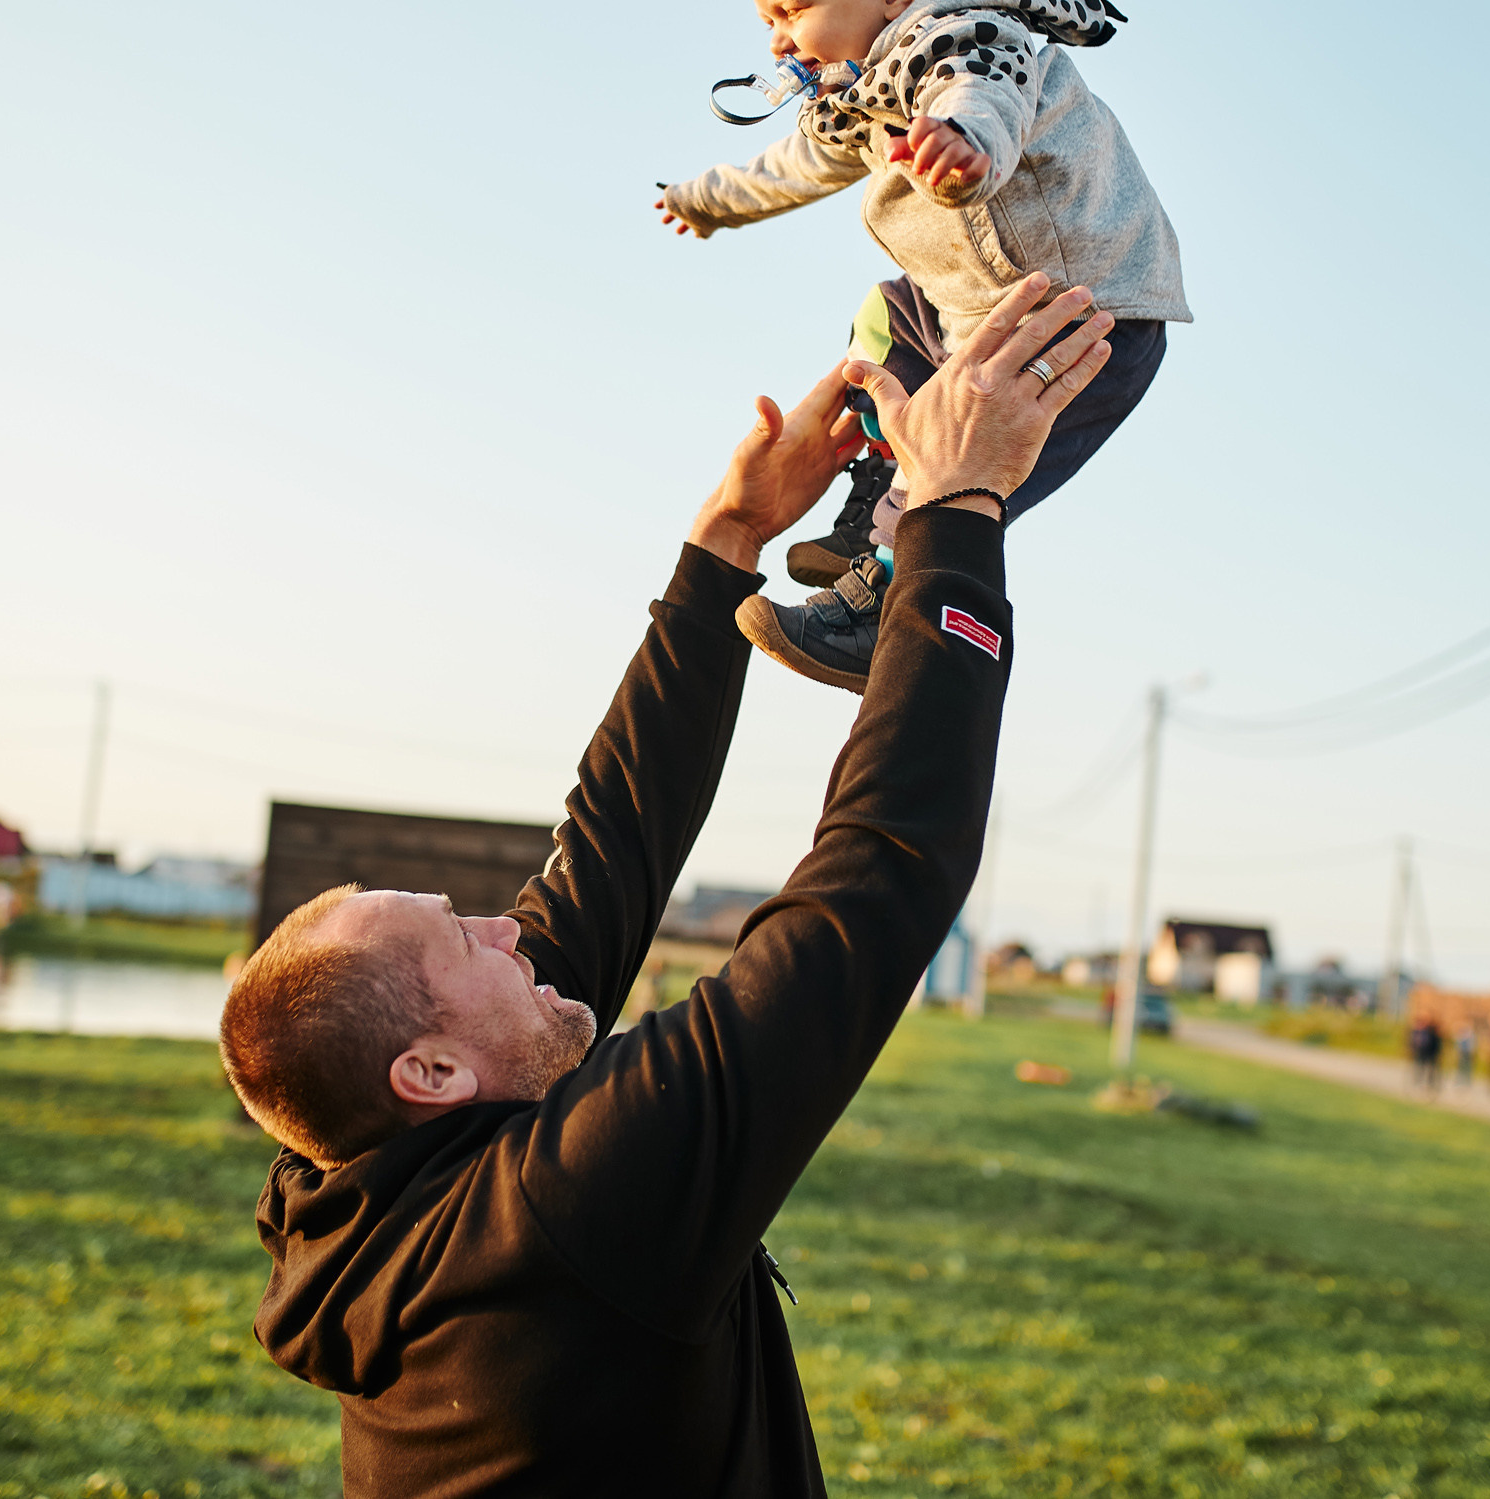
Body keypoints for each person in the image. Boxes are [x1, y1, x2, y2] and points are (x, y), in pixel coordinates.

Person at [220, 276, 1111, 1496]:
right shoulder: (567, 1207)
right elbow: (872, 884)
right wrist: (957, 515)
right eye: (466, 943)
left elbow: (609, 843)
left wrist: (727, 538)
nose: (505, 927)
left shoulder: (373, 1173)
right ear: (428, 1071)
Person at [656, 0, 1190, 691]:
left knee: (957, 473)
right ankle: (874, 496)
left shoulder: (961, 39)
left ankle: (876, 607)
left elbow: (988, 98)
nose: (779, 36)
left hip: (1088, 319)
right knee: (885, 315)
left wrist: (967, 145)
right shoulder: (858, 95)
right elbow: (794, 164)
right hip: (979, 307)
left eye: (794, 7)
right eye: (767, 19)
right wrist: (707, 200)